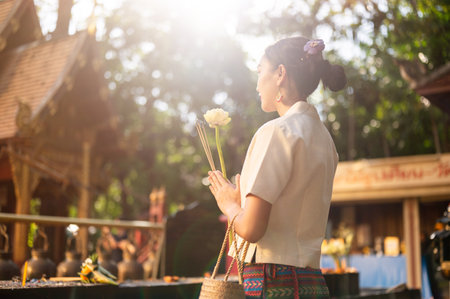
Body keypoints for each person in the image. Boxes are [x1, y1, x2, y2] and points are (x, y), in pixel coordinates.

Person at [208, 36, 347, 298]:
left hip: (270, 283)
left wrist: (229, 204)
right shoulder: (325, 140)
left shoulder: (276, 131)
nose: (258, 83)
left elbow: (251, 229)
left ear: (280, 73)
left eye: (261, 71)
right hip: (311, 283)